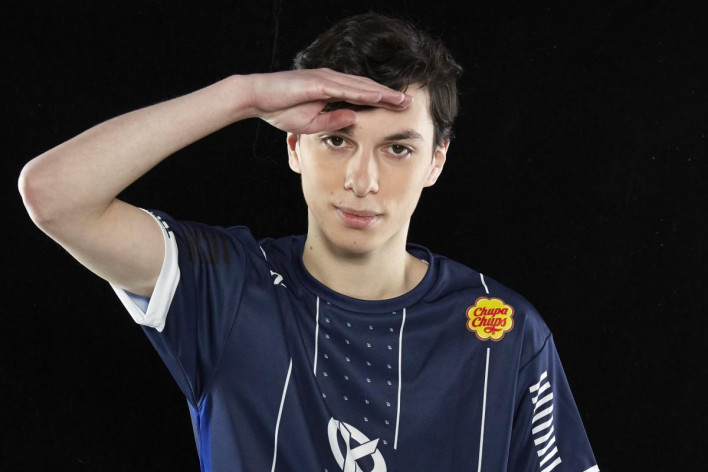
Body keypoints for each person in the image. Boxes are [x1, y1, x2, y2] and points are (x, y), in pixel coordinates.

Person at [18, 12, 599, 472]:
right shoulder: (225, 287)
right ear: (295, 145)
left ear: (436, 162)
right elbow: (53, 194)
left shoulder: (503, 328)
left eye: (398, 148)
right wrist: (243, 96)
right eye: (338, 141)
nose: (362, 181)